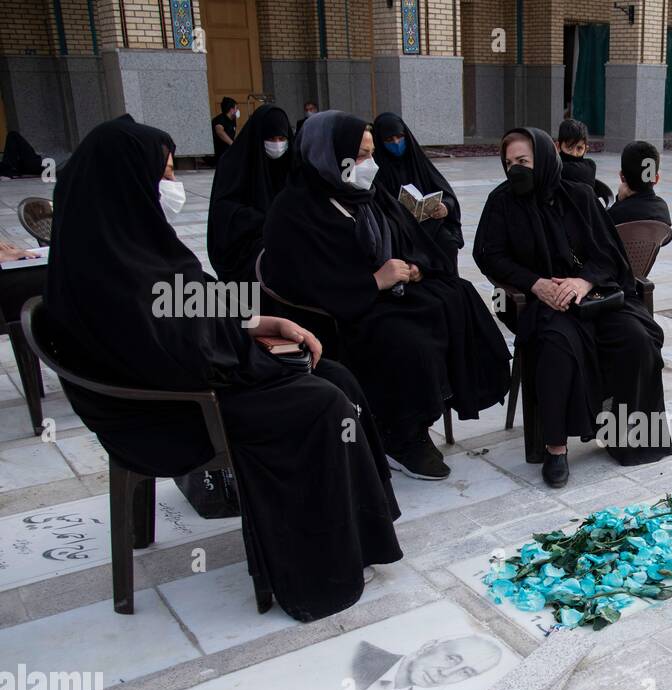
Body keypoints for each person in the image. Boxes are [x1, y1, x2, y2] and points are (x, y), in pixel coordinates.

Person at [43, 116, 403, 622]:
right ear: (127, 180)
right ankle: (315, 570)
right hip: (168, 409)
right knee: (320, 402)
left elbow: (196, 301)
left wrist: (262, 322)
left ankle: (363, 534)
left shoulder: (135, 239)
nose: (173, 187)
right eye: (164, 175)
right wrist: (254, 356)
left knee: (337, 376)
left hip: (197, 377)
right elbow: (165, 350)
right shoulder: (101, 263)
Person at [262, 111, 511, 481]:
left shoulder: (368, 197)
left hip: (391, 294)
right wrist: (373, 281)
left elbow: (412, 241)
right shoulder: (295, 209)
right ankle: (402, 434)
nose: (370, 164)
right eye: (360, 156)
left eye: (370, 153)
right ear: (328, 155)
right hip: (342, 314)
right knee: (411, 341)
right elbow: (302, 280)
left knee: (458, 297)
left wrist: (416, 267)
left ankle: (447, 399)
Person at [473, 127, 672, 488]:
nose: (515, 169)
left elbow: (609, 255)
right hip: (545, 301)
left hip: (593, 297)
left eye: (523, 161)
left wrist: (583, 282)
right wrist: (536, 283)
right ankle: (555, 449)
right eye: (509, 163)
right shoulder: (502, 202)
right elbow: (490, 256)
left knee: (635, 338)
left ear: (545, 159)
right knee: (556, 345)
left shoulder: (579, 197)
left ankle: (631, 436)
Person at [207, 104, 292, 282]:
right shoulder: (233, 163)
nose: (277, 145)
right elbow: (223, 211)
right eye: (271, 139)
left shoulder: (291, 163)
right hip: (246, 247)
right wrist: (265, 220)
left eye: (281, 138)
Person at [371, 111, 463, 277]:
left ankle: (450, 285)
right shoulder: (377, 170)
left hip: (429, 224)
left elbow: (446, 193)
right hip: (399, 229)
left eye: (400, 137)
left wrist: (445, 207)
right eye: (389, 140)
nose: (397, 143)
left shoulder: (417, 161)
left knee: (448, 242)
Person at [351, 635, 503, 690]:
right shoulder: (359, 654)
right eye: (452, 659)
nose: (446, 673)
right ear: (429, 647)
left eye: (466, 672)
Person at [608, 140, 672, 241]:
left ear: (622, 177)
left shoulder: (616, 213)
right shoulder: (662, 209)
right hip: (649, 257)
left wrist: (619, 201)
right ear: (656, 179)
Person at [556, 119, 613, 206]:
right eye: (569, 147)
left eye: (579, 148)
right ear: (558, 146)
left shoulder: (589, 166)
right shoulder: (555, 166)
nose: (574, 154)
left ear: (586, 149)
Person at [212, 97, 239, 163]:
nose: (237, 110)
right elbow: (219, 131)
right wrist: (233, 145)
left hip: (228, 152)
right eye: (236, 108)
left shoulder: (232, 119)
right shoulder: (220, 119)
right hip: (219, 154)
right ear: (231, 110)